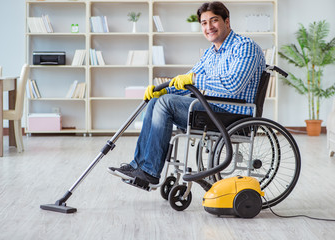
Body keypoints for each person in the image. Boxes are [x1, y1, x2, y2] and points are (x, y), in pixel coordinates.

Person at [108, 1, 266, 185]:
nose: (209, 27)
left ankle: (150, 172)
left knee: (166, 103)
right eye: (204, 23)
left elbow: (233, 85)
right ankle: (139, 166)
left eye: (214, 21)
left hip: (233, 115)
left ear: (227, 21)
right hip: (213, 109)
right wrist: (163, 89)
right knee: (156, 101)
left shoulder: (245, 47)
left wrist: (191, 80)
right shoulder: (210, 54)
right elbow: (187, 79)